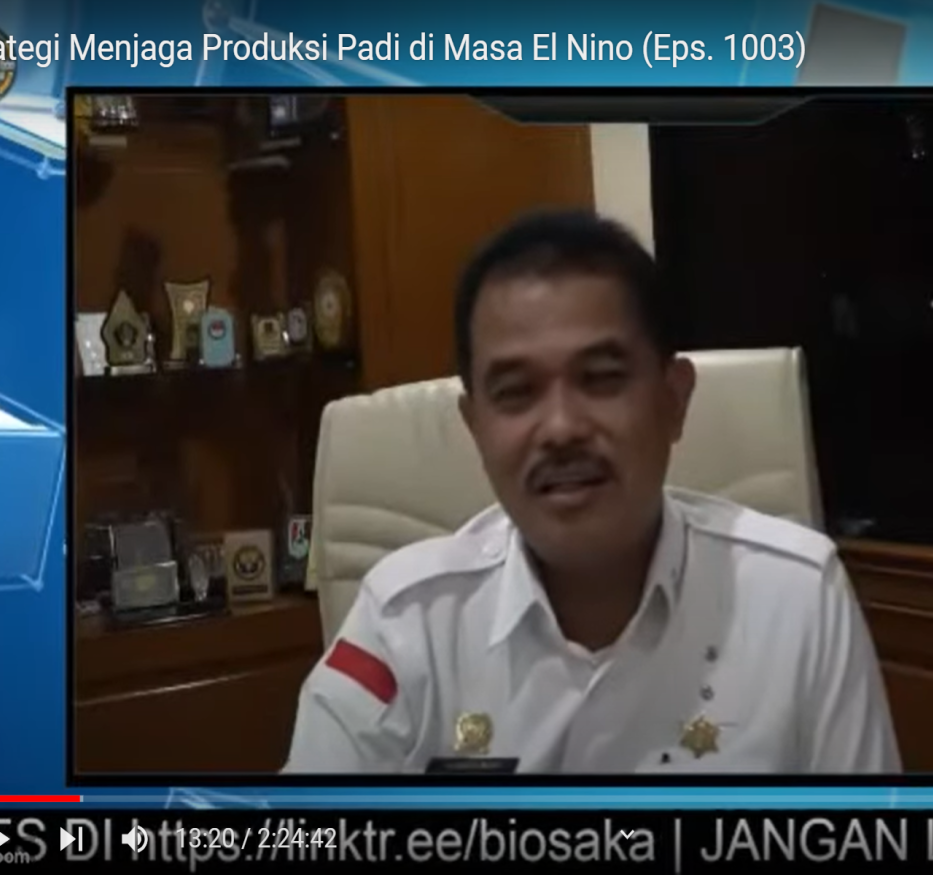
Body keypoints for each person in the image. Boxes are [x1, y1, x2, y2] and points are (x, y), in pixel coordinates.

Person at [283, 210, 900, 774]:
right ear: (475, 428)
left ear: (673, 400)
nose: (561, 429)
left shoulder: (798, 597)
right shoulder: (404, 620)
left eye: (601, 378)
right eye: (516, 392)